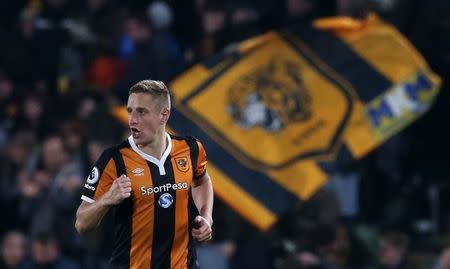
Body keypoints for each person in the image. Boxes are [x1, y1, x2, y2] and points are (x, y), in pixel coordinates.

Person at [75, 80, 214, 269]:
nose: (132, 120)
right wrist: (107, 198)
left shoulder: (190, 148)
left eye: (141, 112)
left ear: (164, 115)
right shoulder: (114, 159)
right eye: (130, 111)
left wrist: (206, 216)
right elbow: (82, 223)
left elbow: (202, 180)